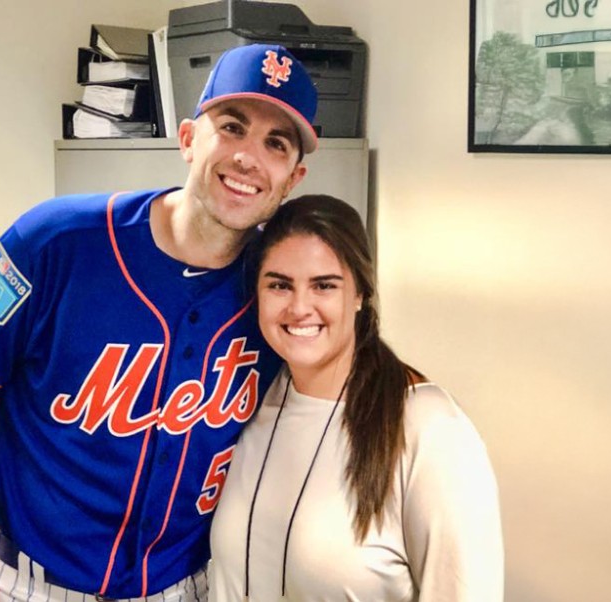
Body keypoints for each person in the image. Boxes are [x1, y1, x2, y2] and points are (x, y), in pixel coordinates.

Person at [0, 44, 318, 602]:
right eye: (232, 127)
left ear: (293, 175)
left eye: (276, 144)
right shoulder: (54, 241)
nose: (249, 158)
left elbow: (339, 373)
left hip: (188, 588)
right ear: (188, 139)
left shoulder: (277, 290)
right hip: (25, 585)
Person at [208, 195, 505, 601]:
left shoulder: (430, 429)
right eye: (279, 284)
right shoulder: (246, 402)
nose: (299, 308)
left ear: (360, 293)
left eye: (324, 285)